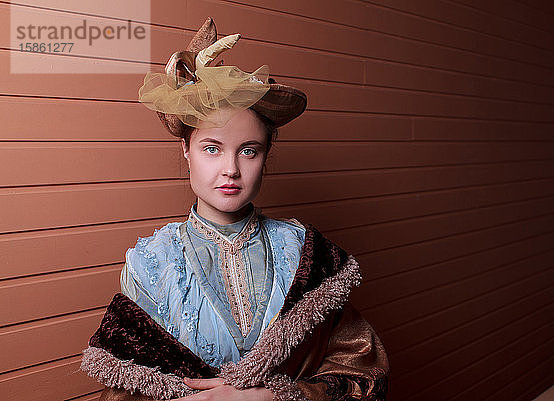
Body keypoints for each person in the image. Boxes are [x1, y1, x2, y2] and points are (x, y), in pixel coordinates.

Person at [80, 17, 389, 401]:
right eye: (212, 148)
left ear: (266, 155)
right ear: (186, 151)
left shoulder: (307, 255)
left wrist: (271, 397)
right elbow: (125, 392)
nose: (231, 168)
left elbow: (363, 376)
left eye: (249, 150)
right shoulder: (151, 264)